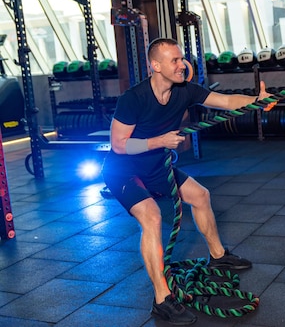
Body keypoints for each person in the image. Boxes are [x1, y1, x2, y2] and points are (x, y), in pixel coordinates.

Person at [102, 38, 275, 325]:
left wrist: (257, 102)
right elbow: (119, 145)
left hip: (156, 165)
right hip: (124, 170)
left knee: (200, 195)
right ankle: (162, 299)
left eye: (181, 59)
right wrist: (159, 141)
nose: (182, 65)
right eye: (174, 61)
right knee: (152, 216)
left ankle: (218, 256)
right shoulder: (133, 98)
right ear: (155, 65)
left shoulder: (185, 90)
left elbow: (226, 102)